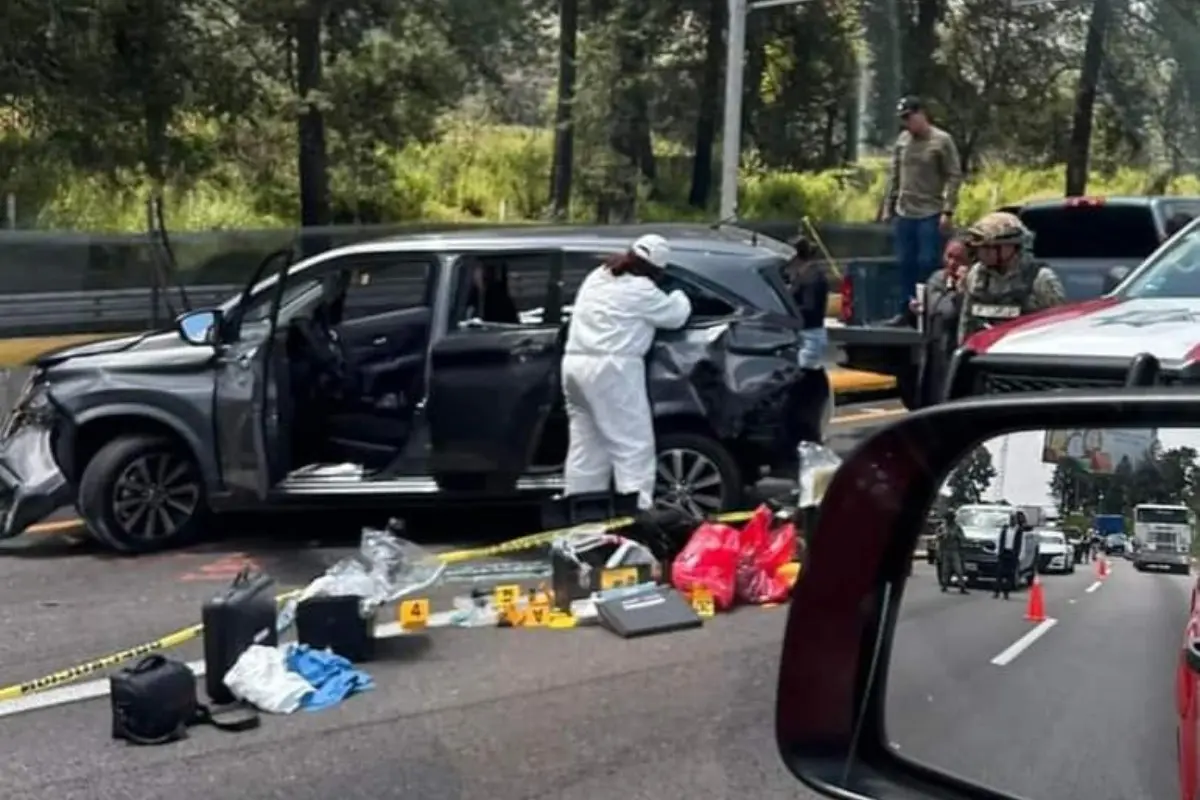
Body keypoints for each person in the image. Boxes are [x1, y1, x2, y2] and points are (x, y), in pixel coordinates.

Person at [561, 234, 693, 510]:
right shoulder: (642, 291)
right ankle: (636, 519)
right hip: (612, 370)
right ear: (656, 270)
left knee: (586, 449)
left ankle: (582, 522)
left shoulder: (598, 275)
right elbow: (675, 315)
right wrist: (680, 293)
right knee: (632, 449)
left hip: (574, 365)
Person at [882, 96, 964, 322]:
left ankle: (931, 308)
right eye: (903, 119)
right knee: (905, 263)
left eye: (909, 117)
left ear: (922, 114)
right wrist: (888, 206)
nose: (907, 123)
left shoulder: (941, 140)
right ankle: (906, 309)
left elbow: (954, 176)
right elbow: (894, 175)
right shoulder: (903, 141)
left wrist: (948, 210)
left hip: (930, 211)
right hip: (905, 211)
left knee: (927, 262)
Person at [957, 211, 1067, 346]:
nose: (982, 253)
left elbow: (1058, 329)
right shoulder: (976, 275)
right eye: (979, 248)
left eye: (988, 247)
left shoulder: (1040, 279)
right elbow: (966, 323)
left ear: (1010, 247)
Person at [993, 510, 1026, 600]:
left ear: (1016, 520)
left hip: (1013, 554)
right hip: (1003, 552)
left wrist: (1020, 556)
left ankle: (1006, 593)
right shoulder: (1004, 529)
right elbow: (998, 540)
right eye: (1011, 519)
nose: (1012, 521)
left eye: (1014, 519)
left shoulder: (1019, 531)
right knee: (999, 573)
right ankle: (996, 592)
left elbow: (1022, 544)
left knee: (1009, 575)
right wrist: (997, 551)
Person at [937, 509, 969, 594]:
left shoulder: (957, 527)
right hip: (946, 550)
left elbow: (963, 538)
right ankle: (944, 585)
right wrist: (942, 535)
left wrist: (958, 537)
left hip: (955, 550)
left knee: (958, 570)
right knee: (945, 570)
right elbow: (938, 538)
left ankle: (962, 586)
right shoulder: (943, 527)